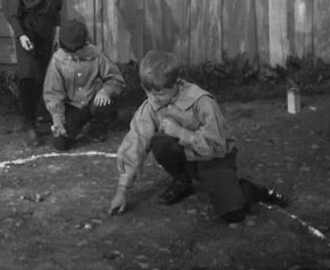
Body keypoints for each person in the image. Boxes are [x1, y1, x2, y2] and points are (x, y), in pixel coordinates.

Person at [109, 50, 289, 222]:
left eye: (161, 93)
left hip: (214, 157)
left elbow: (218, 145)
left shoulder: (202, 102)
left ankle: (250, 190)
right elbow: (135, 143)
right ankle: (183, 180)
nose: (154, 99)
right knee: (159, 141)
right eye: (149, 92)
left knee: (233, 214)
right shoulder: (150, 105)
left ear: (176, 83)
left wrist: (182, 133)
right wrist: (122, 190)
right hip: (186, 155)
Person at [2, 0, 62, 146]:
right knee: (28, 74)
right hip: (27, 28)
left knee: (45, 72)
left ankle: (42, 113)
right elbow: (9, 6)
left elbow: (56, 0)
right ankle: (28, 124)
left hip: (46, 27)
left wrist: (56, 28)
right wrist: (20, 33)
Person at [43, 19, 126, 151]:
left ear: (85, 45)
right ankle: (77, 126)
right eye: (69, 53)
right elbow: (53, 93)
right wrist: (57, 118)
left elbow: (116, 79)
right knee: (60, 144)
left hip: (94, 102)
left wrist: (106, 91)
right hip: (73, 107)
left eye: (76, 51)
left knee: (102, 106)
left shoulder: (96, 56)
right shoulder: (57, 61)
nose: (73, 55)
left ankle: (99, 126)